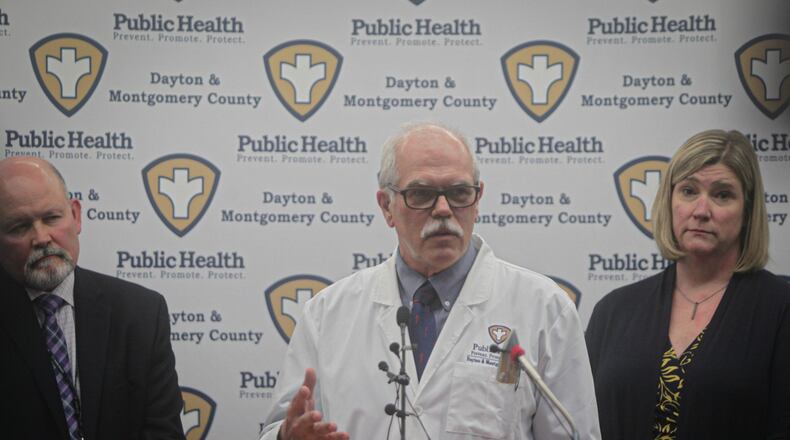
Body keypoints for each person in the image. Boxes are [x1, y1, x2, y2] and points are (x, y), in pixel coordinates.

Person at [260, 122, 600, 439]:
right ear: (386, 206)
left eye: (459, 192)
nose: (442, 209)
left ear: (478, 198)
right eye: (421, 194)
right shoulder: (327, 314)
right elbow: (277, 426)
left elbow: (575, 433)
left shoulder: (543, 308)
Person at [585, 130, 790, 439]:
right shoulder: (614, 311)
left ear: (747, 211)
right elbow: (579, 421)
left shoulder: (781, 309)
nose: (701, 211)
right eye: (689, 191)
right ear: (669, 201)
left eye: (722, 195)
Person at [0, 157, 185, 439]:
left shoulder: (141, 313)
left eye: (51, 218)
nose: (41, 237)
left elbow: (163, 432)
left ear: (76, 215)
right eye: (19, 227)